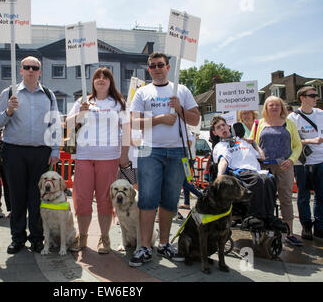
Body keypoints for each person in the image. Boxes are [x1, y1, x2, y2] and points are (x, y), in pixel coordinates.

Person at [129, 52, 200, 267]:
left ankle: (164, 243)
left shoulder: (182, 90)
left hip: (178, 151)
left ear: (168, 67)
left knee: (169, 200)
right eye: (153, 66)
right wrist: (160, 118)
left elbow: (196, 119)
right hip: (150, 151)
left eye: (161, 65)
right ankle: (144, 247)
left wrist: (179, 109)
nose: (157, 68)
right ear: (148, 69)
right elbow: (133, 121)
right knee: (147, 199)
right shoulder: (142, 92)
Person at [0, 56, 62, 254]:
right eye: (27, 67)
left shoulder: (48, 95)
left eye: (35, 67)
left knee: (37, 197)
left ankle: (37, 238)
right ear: (21, 70)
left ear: (40, 71)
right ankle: (17, 237)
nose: (31, 70)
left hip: (41, 151)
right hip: (14, 150)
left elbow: (55, 124)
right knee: (16, 197)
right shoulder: (9, 93)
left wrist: (56, 150)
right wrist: (8, 111)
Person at [65, 67, 130, 254]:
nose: (101, 79)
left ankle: (104, 237)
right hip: (84, 157)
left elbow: (126, 130)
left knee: (105, 200)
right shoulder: (83, 101)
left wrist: (124, 155)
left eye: (105, 77)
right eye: (97, 77)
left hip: (109, 158)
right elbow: (68, 124)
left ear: (111, 82)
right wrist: (80, 114)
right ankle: (83, 236)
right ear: (92, 82)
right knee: (82, 199)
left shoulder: (118, 103)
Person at [210, 116, 284, 229]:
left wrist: (254, 143)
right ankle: (253, 216)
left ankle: (269, 217)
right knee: (257, 180)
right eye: (218, 127)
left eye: (223, 125)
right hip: (240, 171)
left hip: (257, 170)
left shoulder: (243, 141)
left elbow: (262, 157)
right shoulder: (220, 146)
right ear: (215, 132)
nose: (222, 128)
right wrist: (219, 176)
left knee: (269, 179)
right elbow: (223, 161)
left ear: (228, 126)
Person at [251, 96, 303, 246]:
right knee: (266, 199)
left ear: (282, 107)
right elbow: (252, 143)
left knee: (286, 198)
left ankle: (289, 233)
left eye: (277, 105)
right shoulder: (259, 124)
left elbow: (298, 146)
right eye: (270, 105)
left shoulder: (290, 124)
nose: (274, 107)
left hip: (284, 167)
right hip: (264, 168)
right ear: (266, 108)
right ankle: (267, 229)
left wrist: (291, 160)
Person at [287, 86, 323, 240]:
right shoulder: (292, 118)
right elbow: (289, 141)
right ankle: (306, 226)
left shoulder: (320, 114)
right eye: (312, 95)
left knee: (321, 195)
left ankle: (320, 226)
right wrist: (310, 141)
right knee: (303, 195)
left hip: (320, 160)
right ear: (302, 98)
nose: (316, 98)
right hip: (301, 162)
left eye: (316, 95)